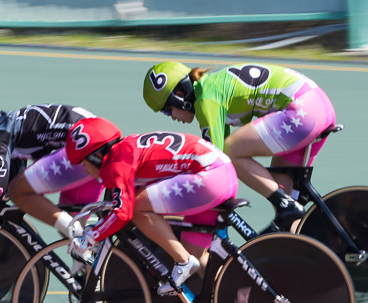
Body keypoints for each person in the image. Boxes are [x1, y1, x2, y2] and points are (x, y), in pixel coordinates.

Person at [141, 60, 335, 230]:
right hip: (317, 105)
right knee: (281, 189)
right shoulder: (213, 87)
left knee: (230, 152)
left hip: (302, 111)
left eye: (167, 111)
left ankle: (285, 204)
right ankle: (298, 239)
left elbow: (215, 160)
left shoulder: (206, 99)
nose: (172, 118)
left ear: (179, 95)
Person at [59, 115, 239, 294]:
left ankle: (183, 261)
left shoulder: (117, 162)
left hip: (209, 177)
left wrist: (90, 237)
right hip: (221, 172)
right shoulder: (127, 148)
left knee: (136, 208)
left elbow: (123, 212)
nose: (87, 172)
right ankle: (227, 302)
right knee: (196, 256)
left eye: (84, 164)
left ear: (96, 156)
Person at [0, 99, 97, 238]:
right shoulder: (8, 128)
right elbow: (4, 189)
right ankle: (88, 263)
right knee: (69, 227)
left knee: (18, 191)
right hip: (95, 142)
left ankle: (81, 237)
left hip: (84, 147)